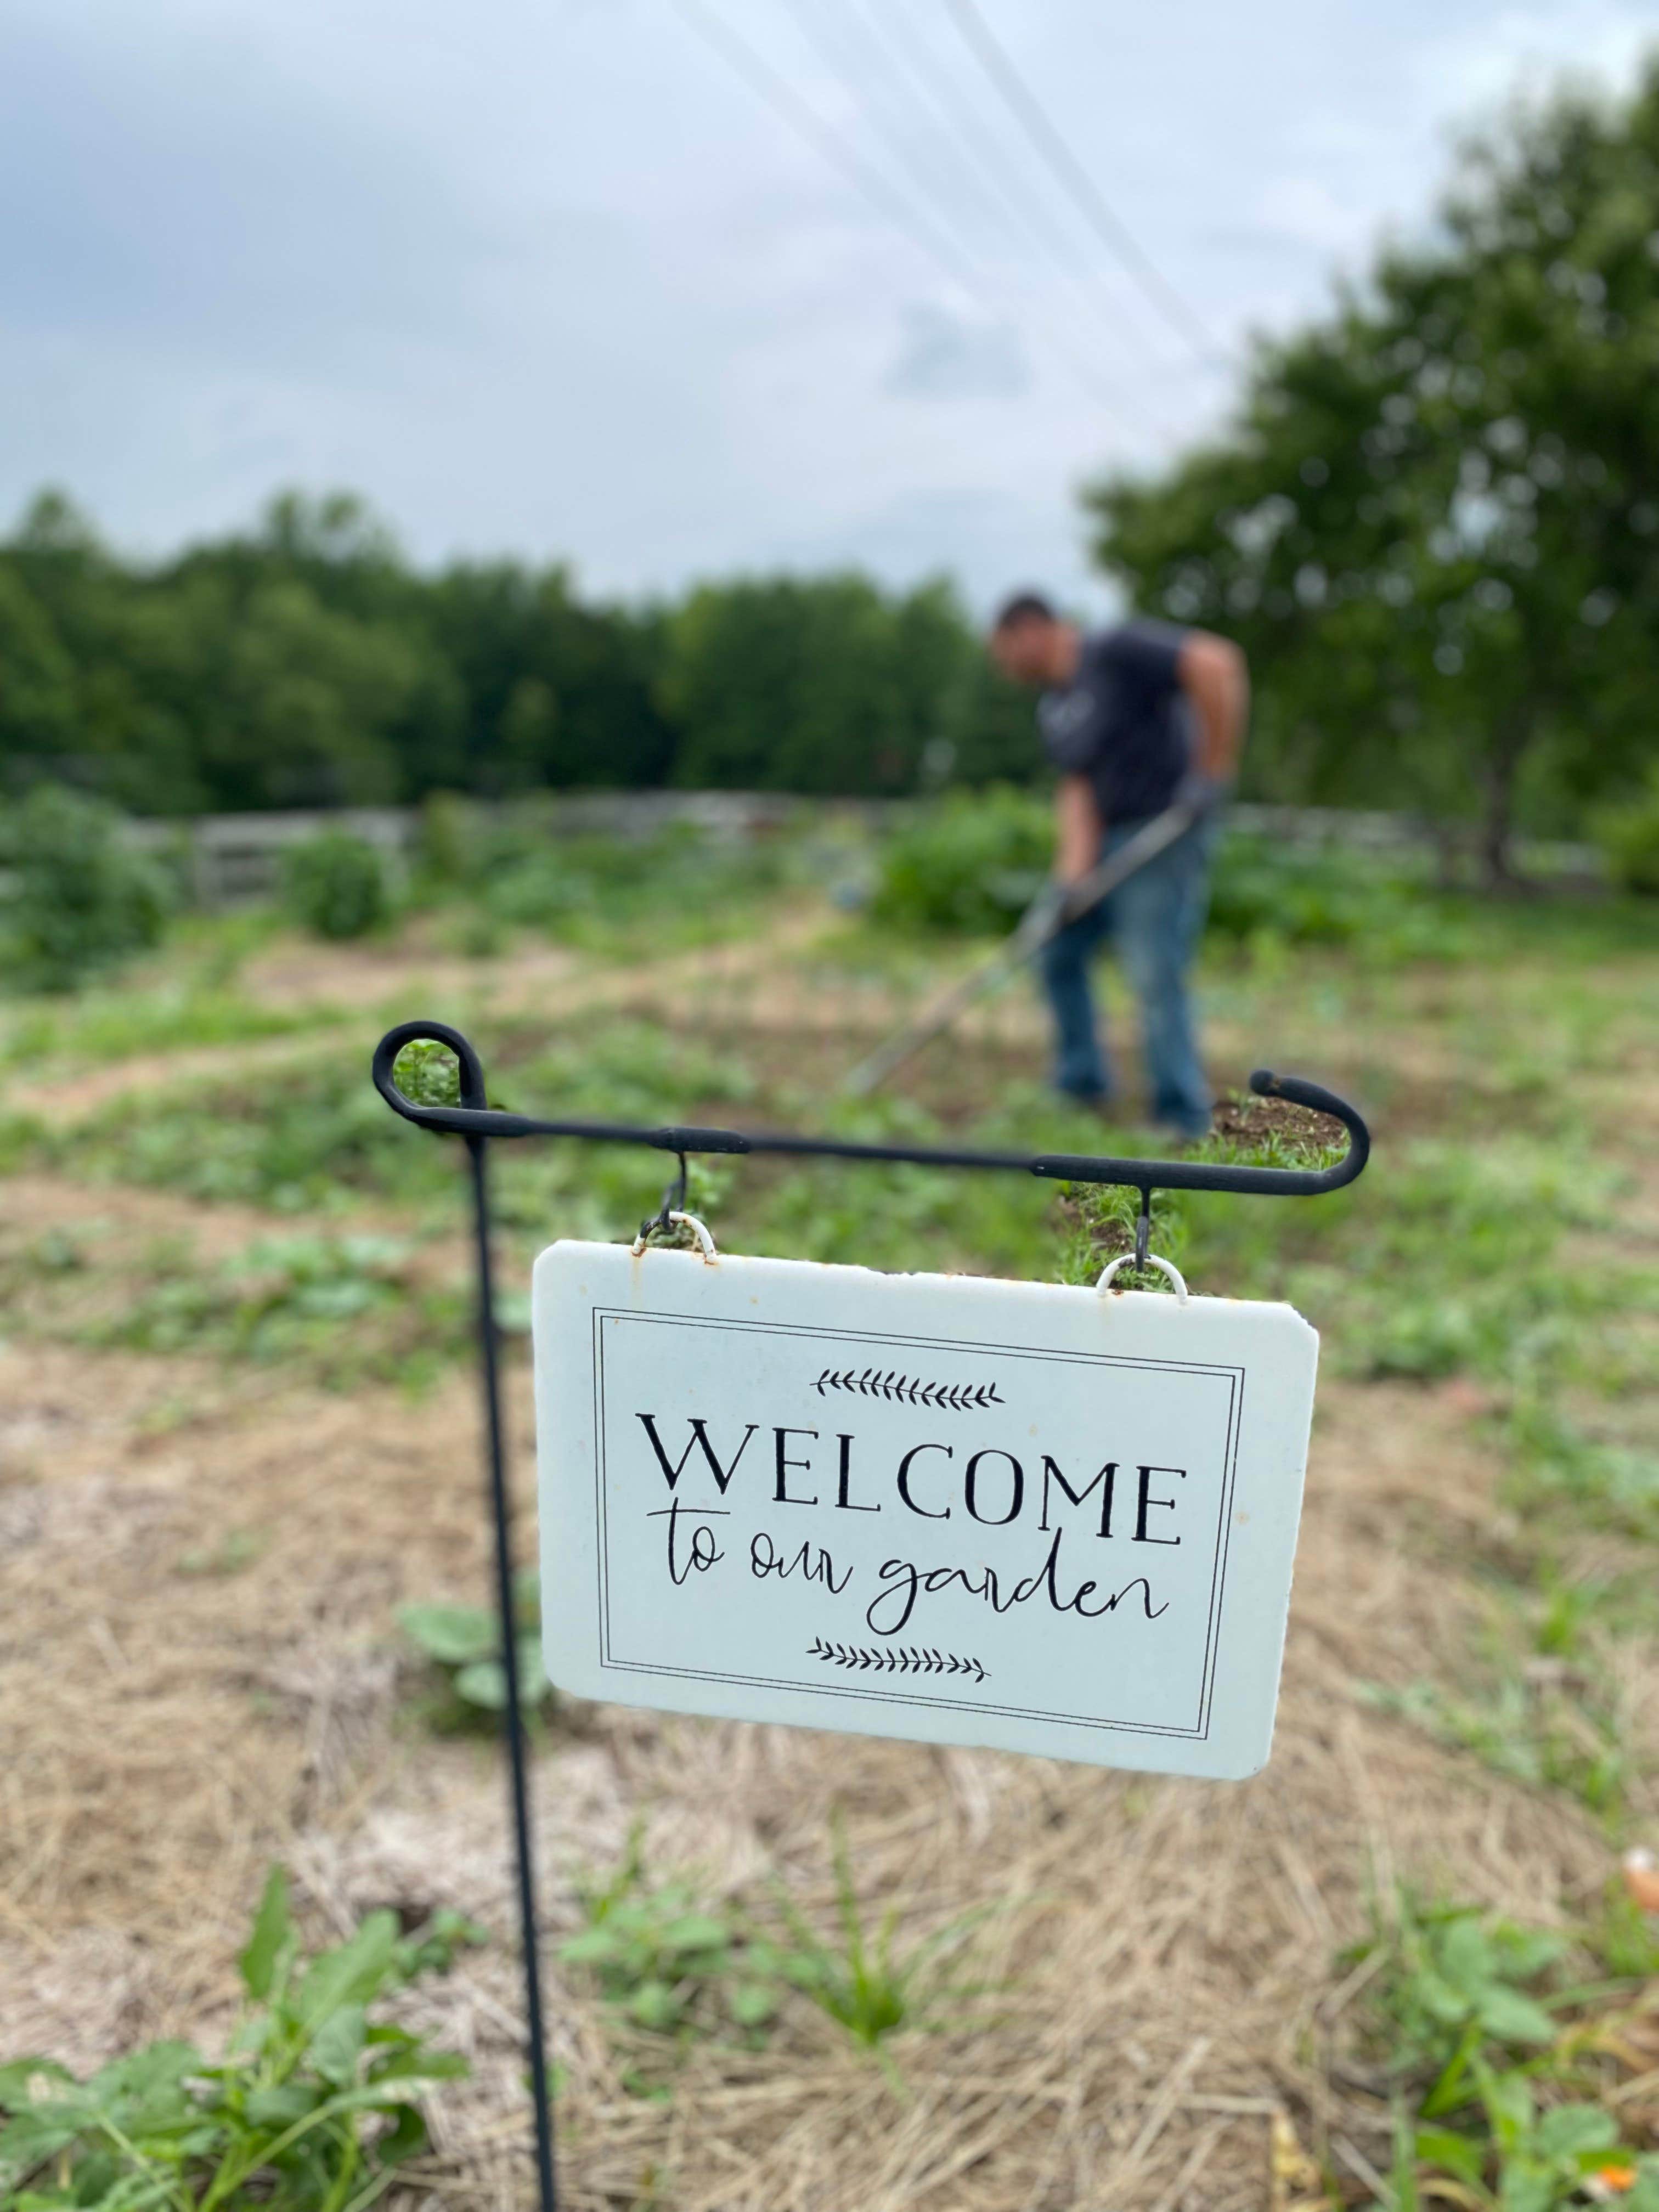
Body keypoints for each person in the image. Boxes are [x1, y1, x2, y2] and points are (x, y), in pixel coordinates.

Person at [988, 594, 1248, 1141]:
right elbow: (1078, 791)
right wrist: (1070, 879)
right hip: (1104, 843)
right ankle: (1082, 1083)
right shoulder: (1054, 706)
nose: (1003, 668)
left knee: (1155, 971)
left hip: (1163, 830)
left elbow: (1216, 663)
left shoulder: (1115, 651)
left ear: (1029, 631)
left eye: (1003, 651)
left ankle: (1181, 1115)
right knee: (1056, 948)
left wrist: (1212, 771)